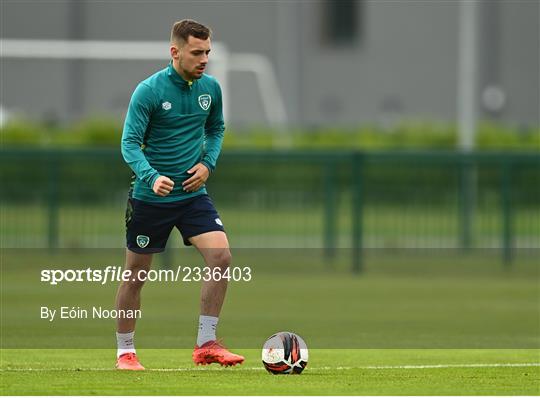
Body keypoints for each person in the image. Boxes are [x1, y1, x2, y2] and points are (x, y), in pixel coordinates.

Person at [115, 19, 244, 370]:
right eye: (196, 52)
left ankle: (206, 344)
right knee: (136, 275)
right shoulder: (149, 91)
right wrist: (151, 176)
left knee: (221, 258)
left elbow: (216, 128)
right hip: (150, 198)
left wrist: (208, 164)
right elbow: (129, 143)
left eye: (207, 52)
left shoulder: (211, 89)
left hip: (191, 196)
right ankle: (125, 352)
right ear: (175, 51)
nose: (204, 59)